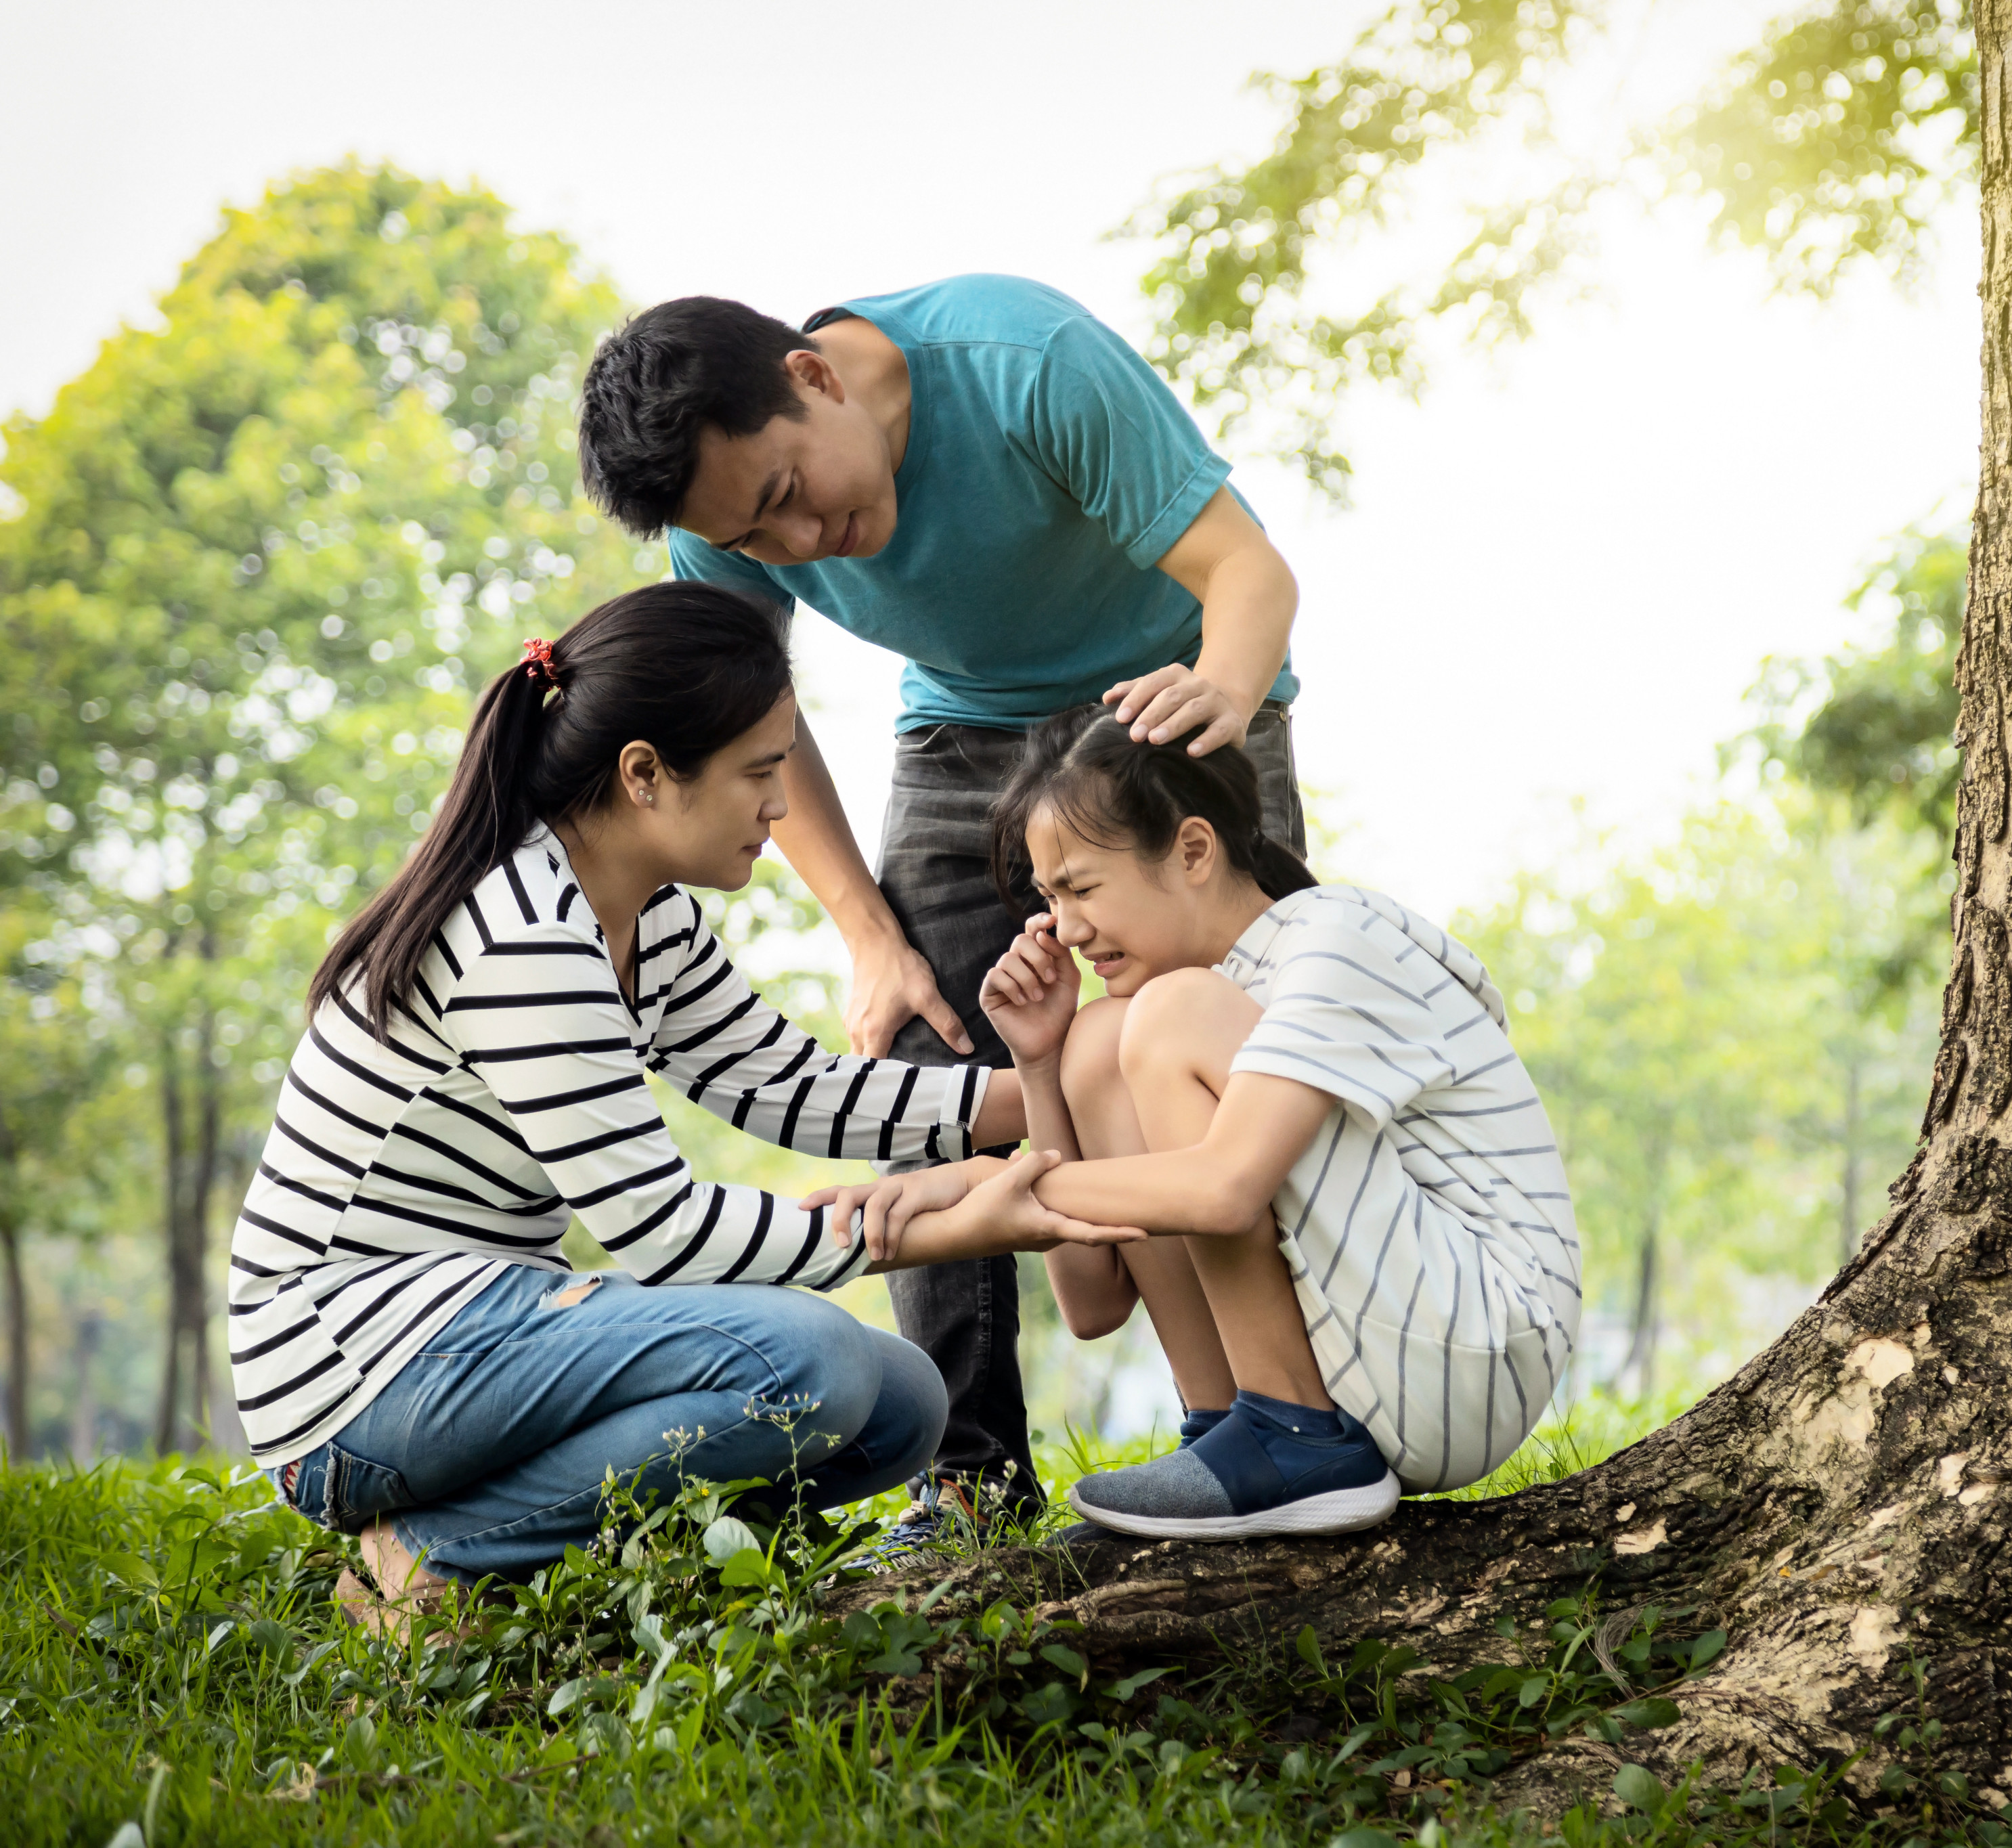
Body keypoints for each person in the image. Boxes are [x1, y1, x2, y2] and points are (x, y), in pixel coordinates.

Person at [228, 584, 1138, 1631]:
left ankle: (506, 1537)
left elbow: (793, 1087)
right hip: (354, 1373)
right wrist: (948, 1220)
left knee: (899, 1404)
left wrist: (1057, 1085)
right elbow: (662, 1231)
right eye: (760, 772)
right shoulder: (522, 929)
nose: (780, 808)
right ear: (645, 775)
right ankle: (438, 1552)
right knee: (814, 1363)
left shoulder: (643, 918)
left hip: (478, 1334)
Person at [577, 278, 1309, 1537]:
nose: (800, 546)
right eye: (758, 543)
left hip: (1163, 703)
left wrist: (1223, 701)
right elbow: (761, 718)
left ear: (814, 378)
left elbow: (1245, 568)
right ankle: (968, 1475)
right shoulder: (723, 521)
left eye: (787, 496)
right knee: (931, 1041)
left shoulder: (1027, 365)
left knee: (1237, 1052)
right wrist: (867, 930)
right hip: (964, 735)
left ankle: (1296, 1422)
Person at [827, 710, 1582, 1539]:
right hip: (1395, 1347)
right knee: (1099, 1042)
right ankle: (1228, 1434)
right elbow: (1092, 1303)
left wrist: (984, 1183)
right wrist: (1041, 1067)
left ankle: (1291, 1432)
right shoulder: (1188, 1009)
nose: (1066, 929)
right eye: (1050, 899)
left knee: (1163, 1015)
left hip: (1474, 1348)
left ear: (1192, 850)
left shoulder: (1333, 940)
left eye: (1081, 888)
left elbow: (1225, 1189)